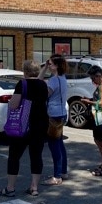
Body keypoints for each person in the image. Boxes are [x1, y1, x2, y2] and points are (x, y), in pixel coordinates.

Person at [0, 60, 48, 197]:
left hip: (22, 126)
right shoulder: (43, 85)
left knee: (14, 156)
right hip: (40, 125)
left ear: (25, 72)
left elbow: (14, 105)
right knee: (36, 156)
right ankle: (34, 187)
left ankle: (10, 187)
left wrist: (10, 102)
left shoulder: (22, 84)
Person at [41, 54, 69, 186]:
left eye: (51, 64)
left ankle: (57, 176)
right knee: (60, 144)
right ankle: (63, 171)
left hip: (53, 114)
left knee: (54, 146)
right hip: (62, 113)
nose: (49, 65)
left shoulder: (53, 80)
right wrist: (47, 66)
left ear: (56, 65)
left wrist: (44, 69)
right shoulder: (63, 78)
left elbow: (43, 91)